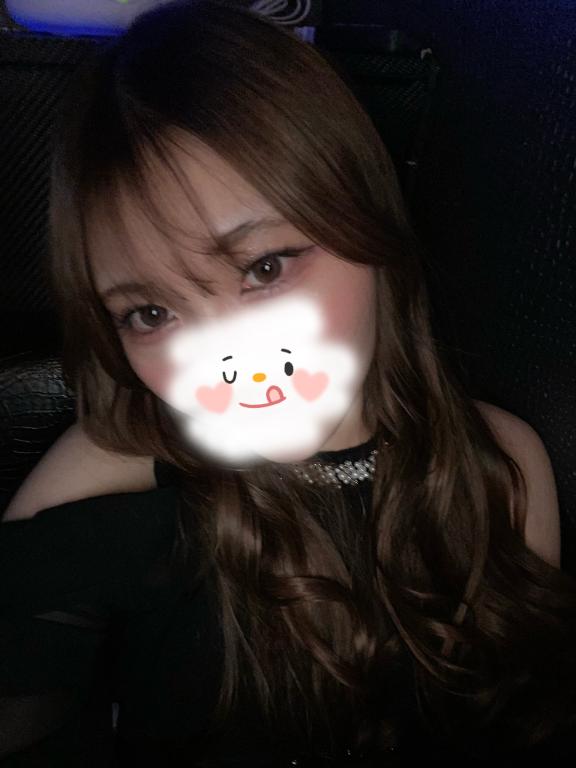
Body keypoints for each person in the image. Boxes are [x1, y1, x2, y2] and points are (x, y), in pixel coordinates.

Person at [1, 0, 576, 765]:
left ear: (364, 215)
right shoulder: (109, 490)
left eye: (264, 268)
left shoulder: (502, 468)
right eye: (150, 313)